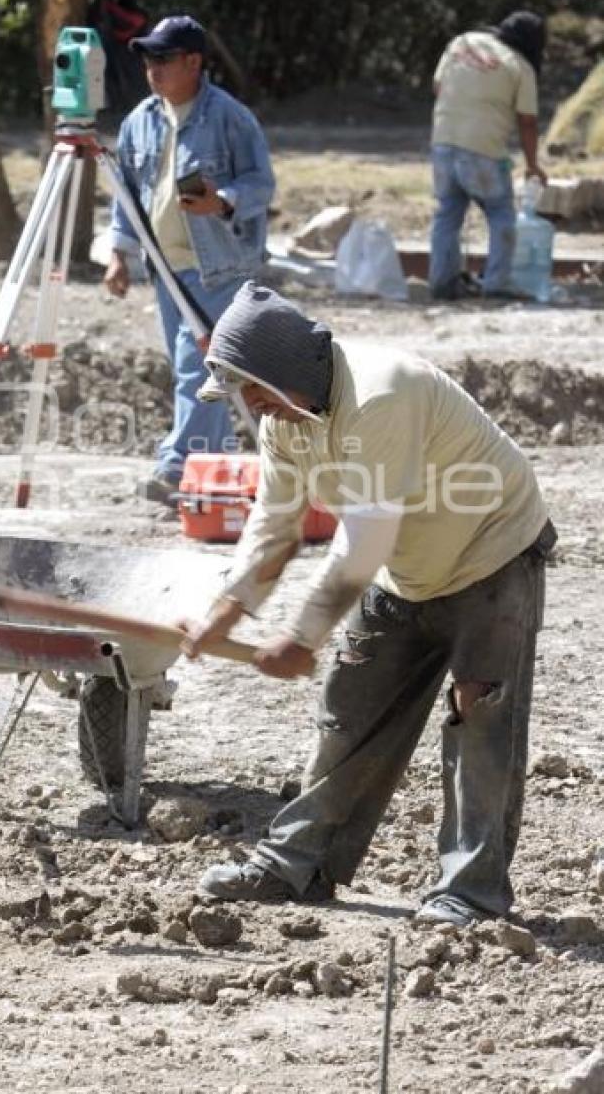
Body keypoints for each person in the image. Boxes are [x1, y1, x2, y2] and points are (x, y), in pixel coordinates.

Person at [182, 282, 556, 926]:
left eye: (257, 391)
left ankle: (470, 893)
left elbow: (366, 531)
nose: (255, 410)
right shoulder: (285, 422)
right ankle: (297, 865)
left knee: (480, 721)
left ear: (286, 370)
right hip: (400, 573)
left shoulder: (381, 392)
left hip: (490, 555)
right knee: (347, 714)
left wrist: (302, 634)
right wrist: (226, 608)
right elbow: (275, 523)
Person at [102, 14, 275, 503]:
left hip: (219, 267)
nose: (152, 69)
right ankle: (215, 473)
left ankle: (177, 469)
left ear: (194, 62)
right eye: (147, 59)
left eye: (163, 58)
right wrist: (119, 254)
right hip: (166, 269)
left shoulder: (229, 117)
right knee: (209, 373)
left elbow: (262, 184)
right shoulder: (140, 120)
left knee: (197, 368)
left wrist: (223, 201)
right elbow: (127, 196)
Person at [428, 10, 547, 301]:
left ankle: (442, 284)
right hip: (484, 150)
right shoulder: (521, 66)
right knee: (501, 213)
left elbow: (438, 87)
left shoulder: (463, 41)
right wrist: (532, 165)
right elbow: (527, 122)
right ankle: (497, 284)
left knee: (448, 213)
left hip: (443, 141)